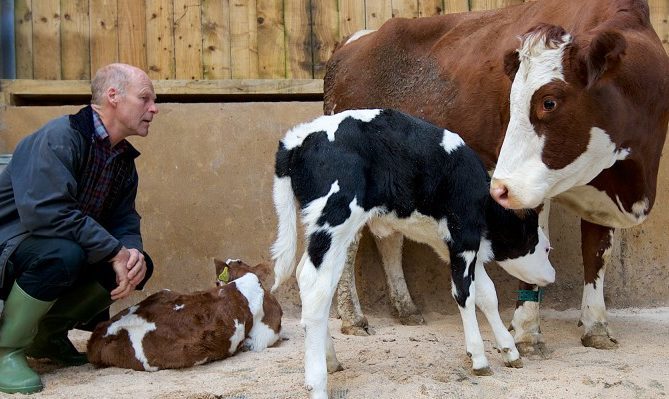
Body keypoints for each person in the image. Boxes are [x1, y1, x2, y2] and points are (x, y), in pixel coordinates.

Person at [0, 63, 159, 394]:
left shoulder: (121, 159)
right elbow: (47, 214)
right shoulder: (58, 138)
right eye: (145, 99)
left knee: (137, 264)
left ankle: (48, 336)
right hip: (12, 245)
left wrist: (130, 252)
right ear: (113, 96)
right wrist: (112, 249)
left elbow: (124, 219)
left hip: (51, 246)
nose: (153, 108)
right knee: (64, 254)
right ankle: (7, 350)